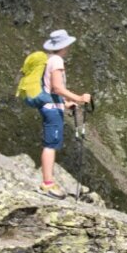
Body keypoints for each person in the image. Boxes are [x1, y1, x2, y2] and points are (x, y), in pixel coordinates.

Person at [39, 29, 91, 198]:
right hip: (52, 110)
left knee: (51, 143)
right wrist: (79, 98)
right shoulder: (57, 62)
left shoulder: (49, 60)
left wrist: (66, 103)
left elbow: (51, 90)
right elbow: (57, 87)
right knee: (51, 144)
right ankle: (47, 184)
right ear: (64, 46)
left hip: (52, 106)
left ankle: (48, 181)